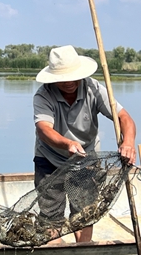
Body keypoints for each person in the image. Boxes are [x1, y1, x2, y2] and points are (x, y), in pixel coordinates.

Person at [33, 45, 136, 244]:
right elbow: (43, 129)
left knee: (83, 214)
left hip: (86, 158)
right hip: (50, 158)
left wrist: (129, 142)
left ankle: (83, 250)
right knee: (51, 216)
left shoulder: (93, 88)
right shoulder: (43, 95)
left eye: (73, 76)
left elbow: (124, 117)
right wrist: (67, 144)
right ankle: (55, 251)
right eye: (63, 78)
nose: (69, 82)